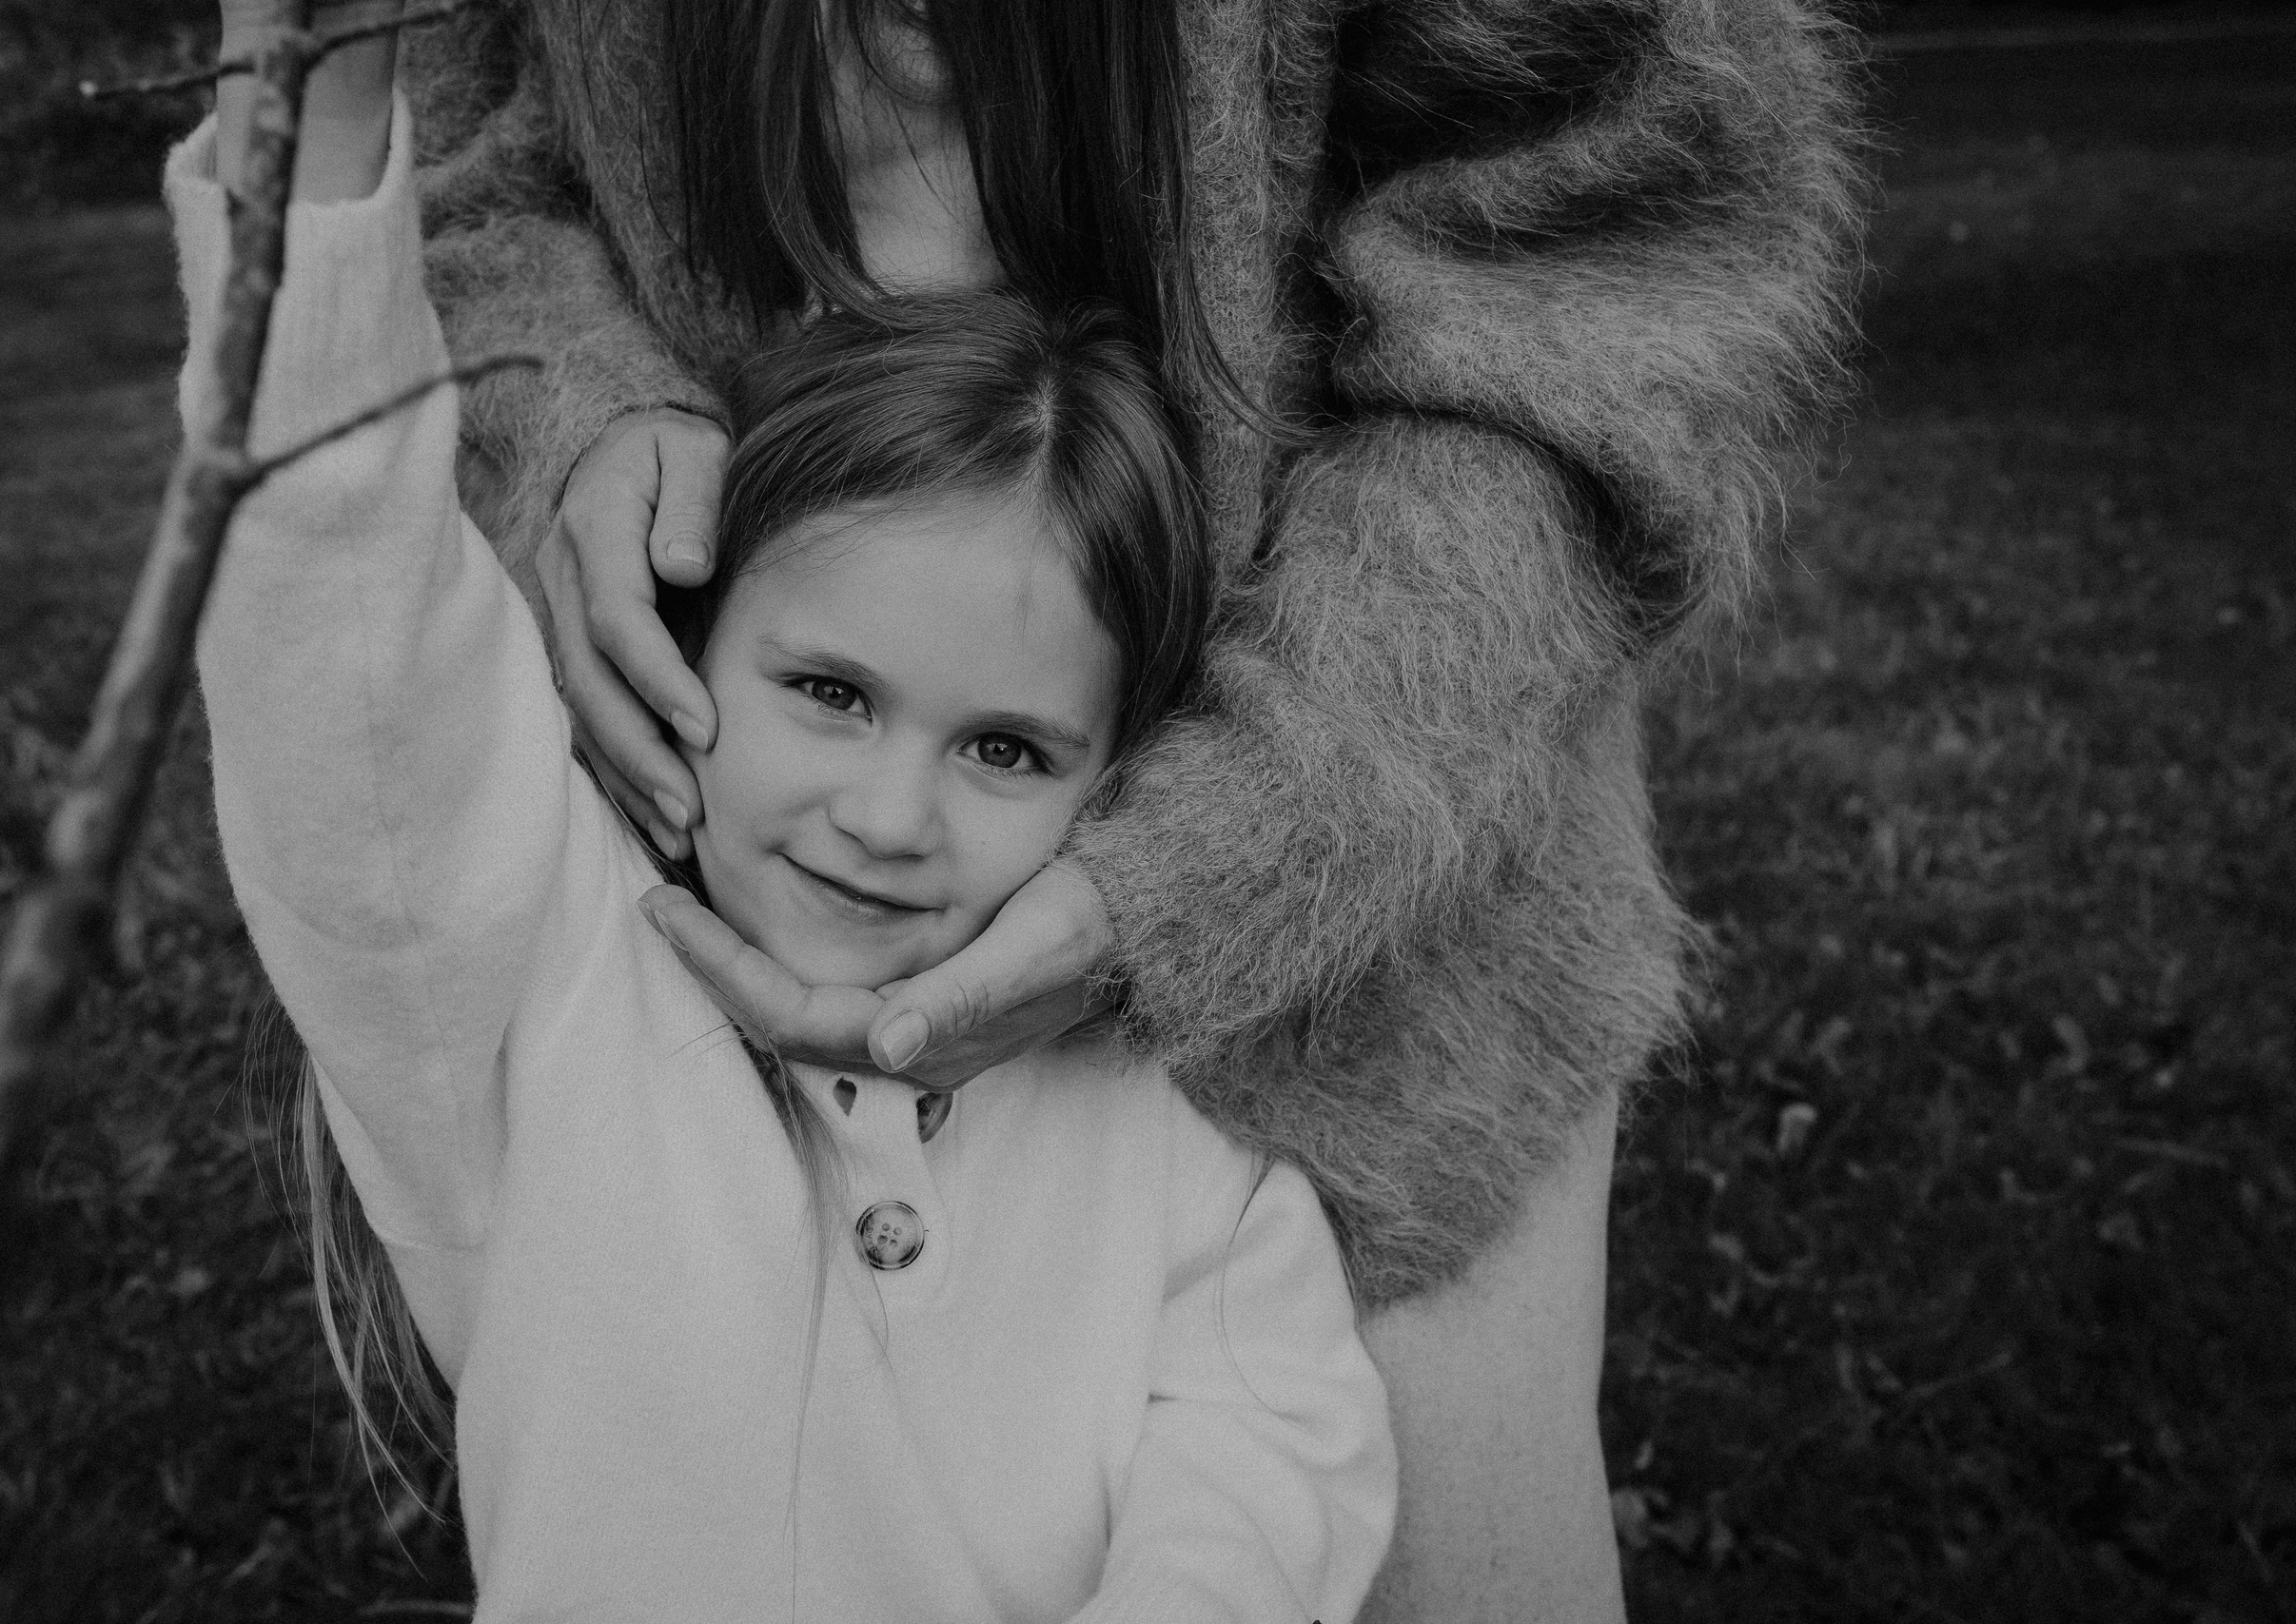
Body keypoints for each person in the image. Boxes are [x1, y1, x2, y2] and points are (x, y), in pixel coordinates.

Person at [399, 0, 1862, 1614]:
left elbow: (1605, 292)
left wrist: (1225, 858)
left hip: (1387, 932)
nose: (896, 817)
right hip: (733, 934)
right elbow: (457, 158)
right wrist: (573, 412)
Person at [189, 29, 1396, 1617]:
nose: (891, 817)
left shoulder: (1178, 1112)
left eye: (1010, 750)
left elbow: (1265, 1453)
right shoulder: (525, 998)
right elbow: (339, 635)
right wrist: (319, 106)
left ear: (1121, 775)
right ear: (686, 637)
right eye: (830, 692)